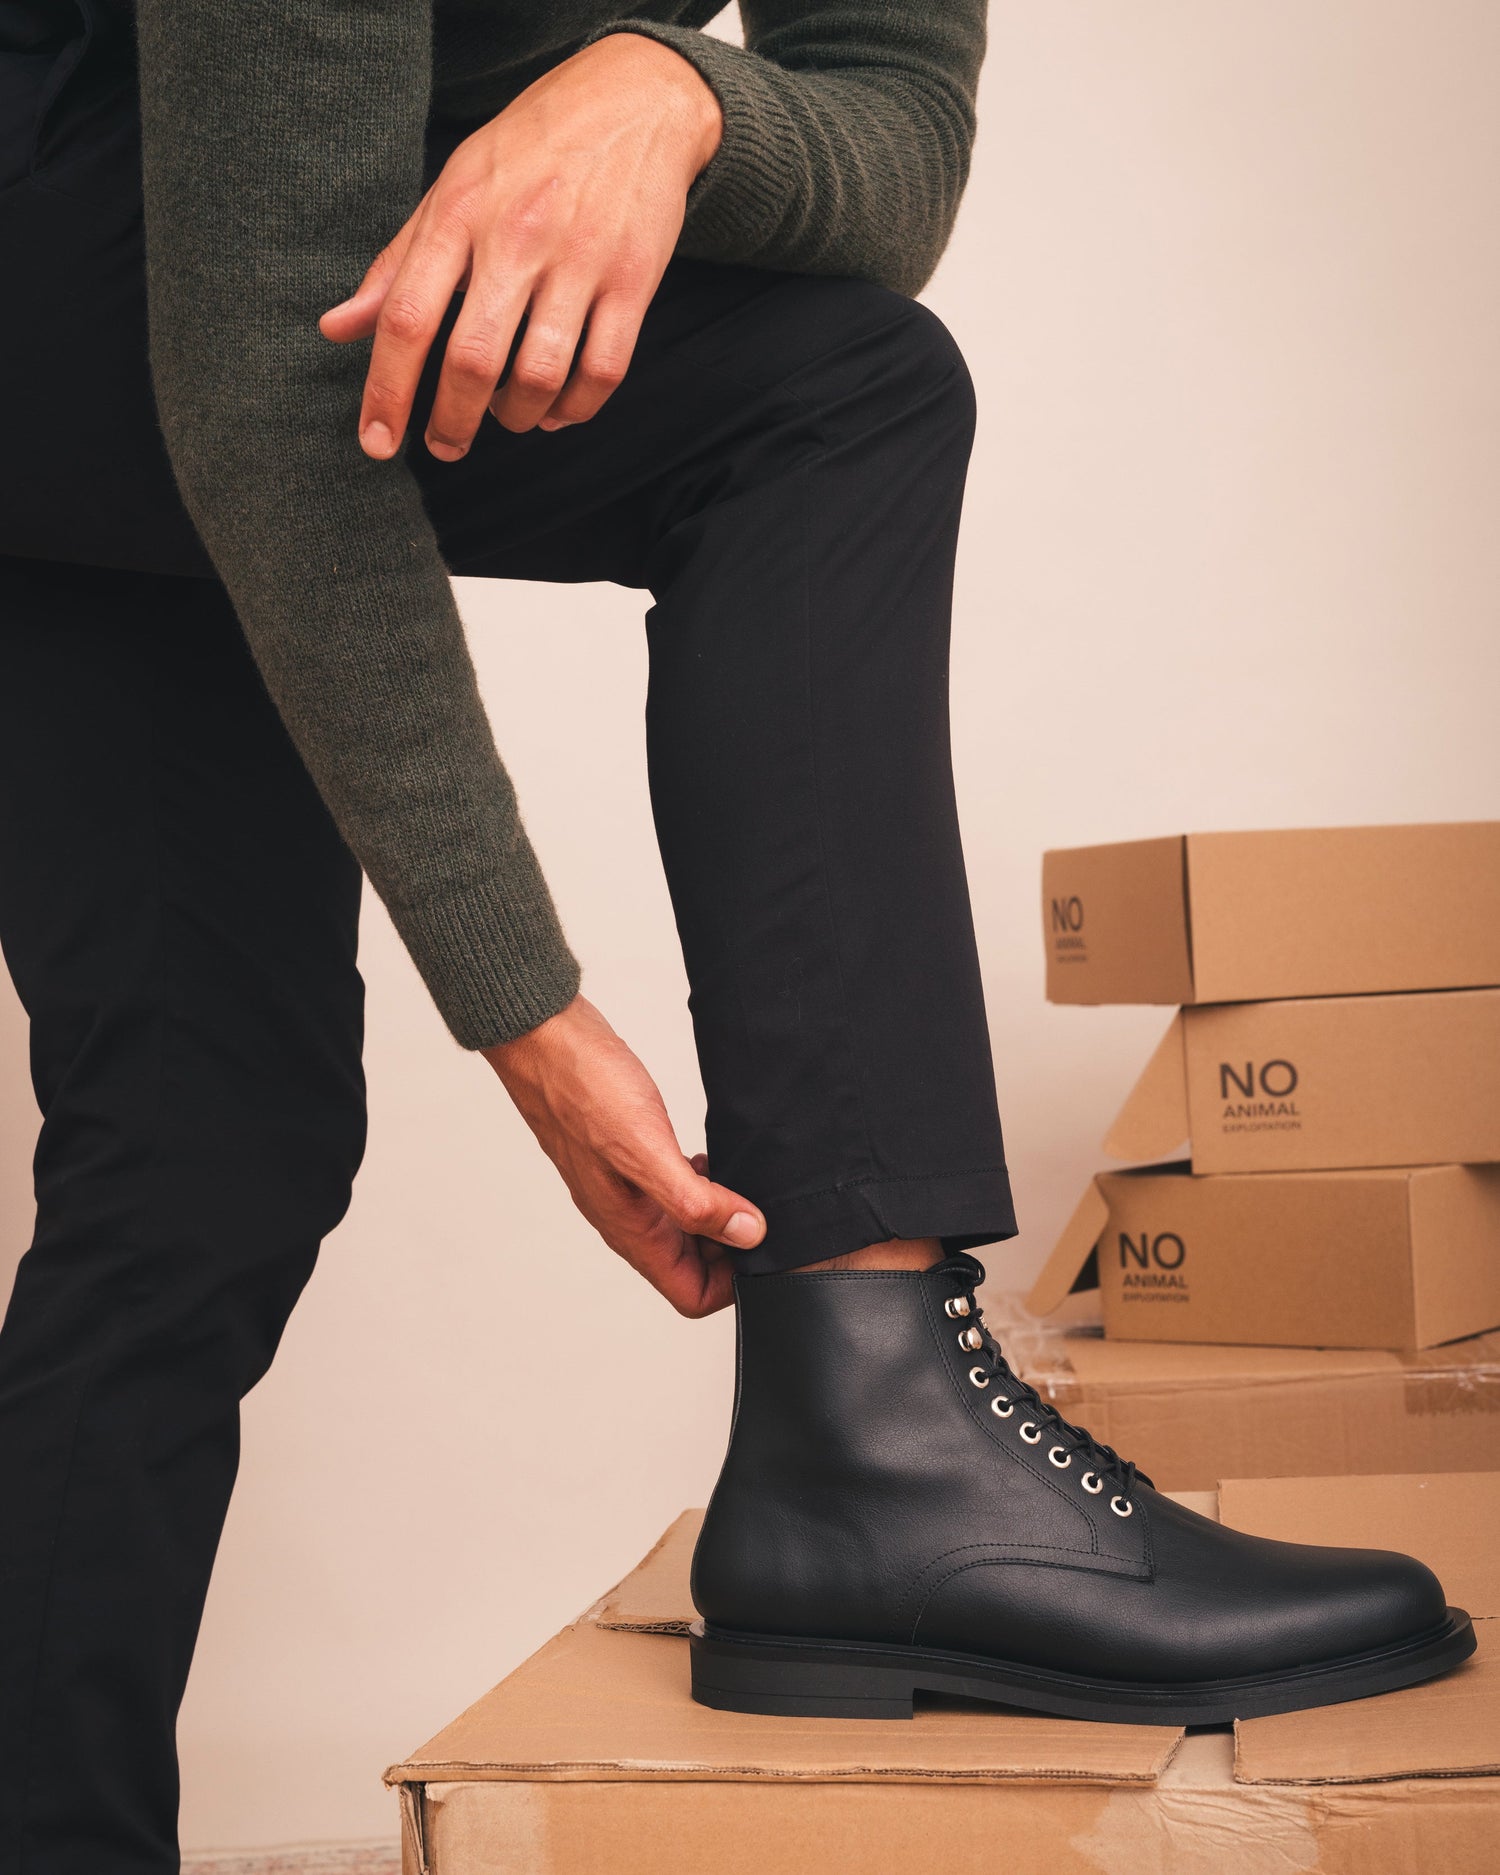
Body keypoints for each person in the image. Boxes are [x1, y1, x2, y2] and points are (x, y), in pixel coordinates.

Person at [0, 2, 1473, 1867]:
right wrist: (524, 1007)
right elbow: (263, 351)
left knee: (202, 1162)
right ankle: (875, 1449)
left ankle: (869, 1441)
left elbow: (898, 140)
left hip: (287, 277)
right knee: (832, 390)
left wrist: (673, 92)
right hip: (95, 228)